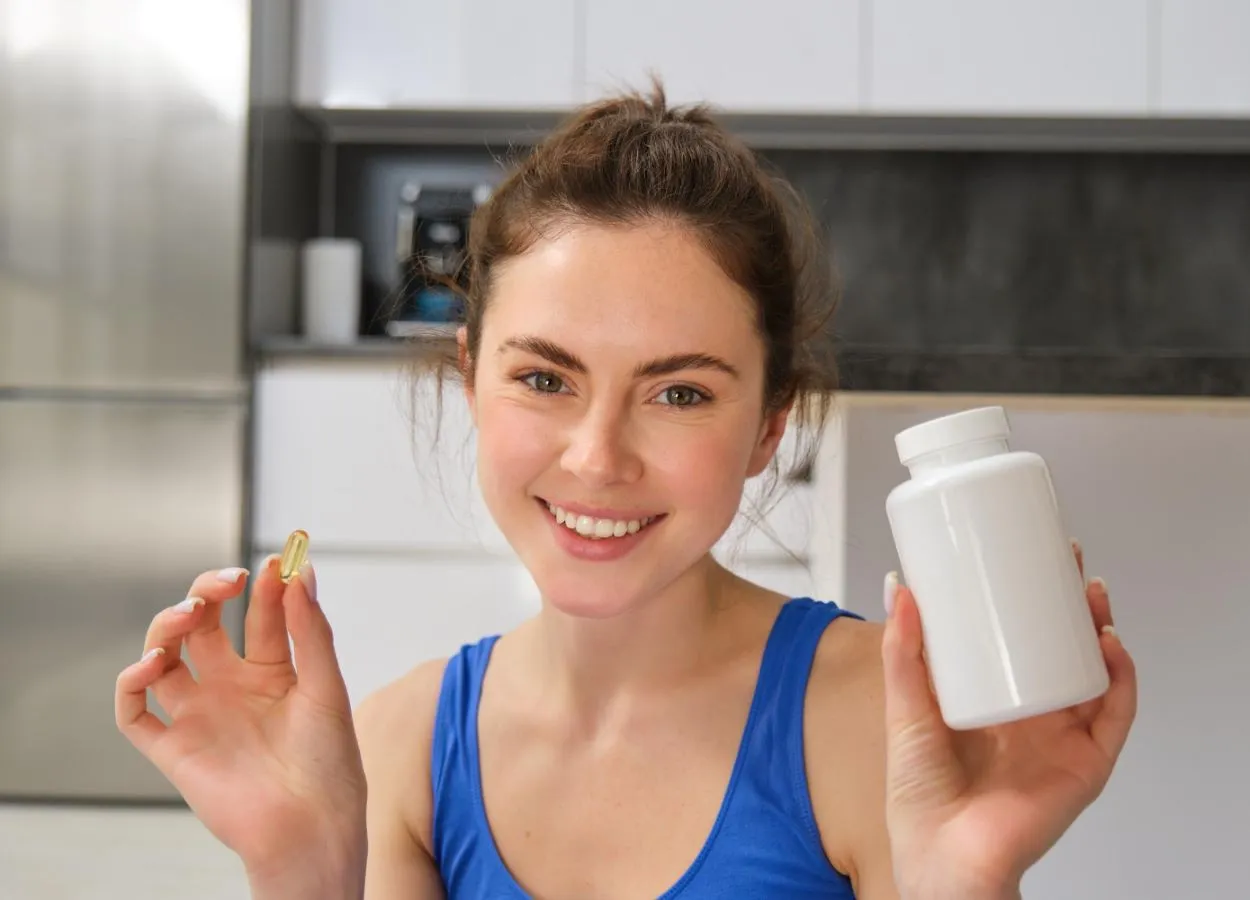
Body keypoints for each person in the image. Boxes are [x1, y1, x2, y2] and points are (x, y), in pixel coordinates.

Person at [114, 82, 1137, 899]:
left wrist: (968, 880)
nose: (599, 457)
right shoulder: (399, 747)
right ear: (471, 378)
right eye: (546, 379)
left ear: (768, 428)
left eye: (680, 391)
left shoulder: (882, 717)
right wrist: (299, 876)